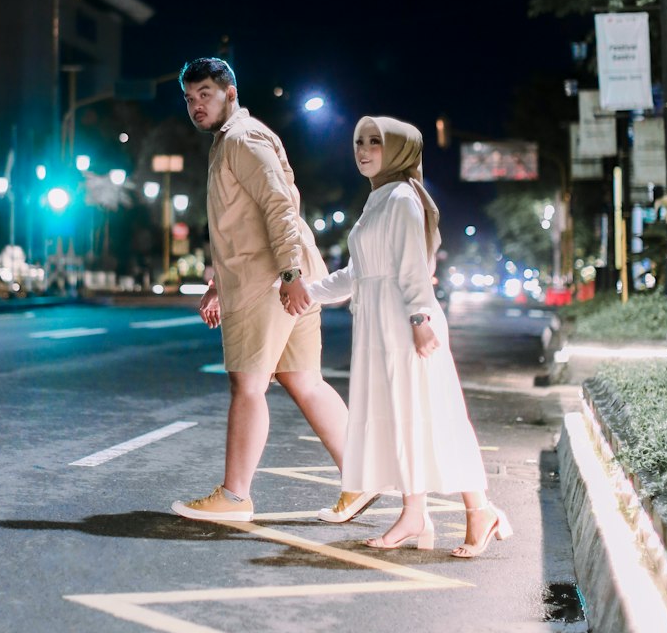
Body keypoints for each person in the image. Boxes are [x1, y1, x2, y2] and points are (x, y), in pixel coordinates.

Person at [286, 116, 512, 558]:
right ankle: (417, 514)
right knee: (404, 418)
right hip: (380, 326)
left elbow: (412, 269)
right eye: (359, 142)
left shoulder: (405, 199)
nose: (364, 150)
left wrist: (419, 319)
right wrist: (308, 293)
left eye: (376, 142)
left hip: (406, 325)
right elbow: (359, 274)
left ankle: (476, 510)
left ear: (400, 150)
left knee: (434, 415)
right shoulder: (379, 200)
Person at [171, 57, 365, 524]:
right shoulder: (228, 142)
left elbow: (279, 205)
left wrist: (291, 274)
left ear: (230, 94)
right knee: (304, 380)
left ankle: (235, 497)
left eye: (205, 95)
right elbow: (236, 222)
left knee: (248, 383)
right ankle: (362, 479)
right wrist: (217, 282)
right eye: (190, 98)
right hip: (277, 276)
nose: (197, 106)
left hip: (270, 282)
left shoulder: (242, 138)